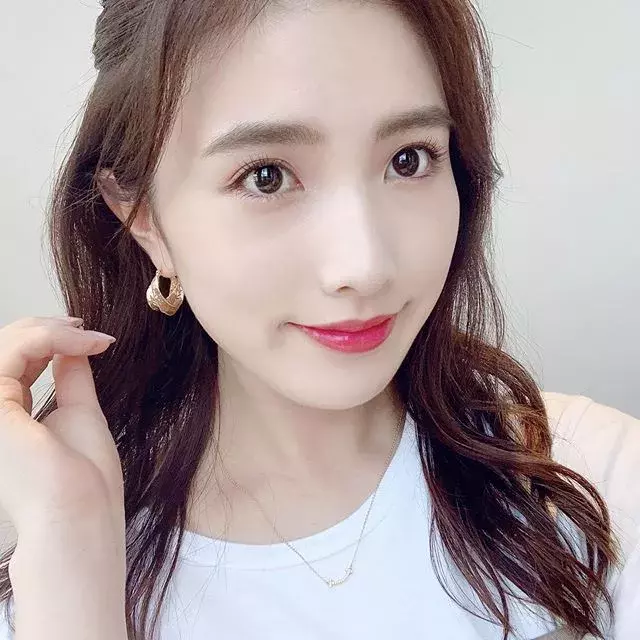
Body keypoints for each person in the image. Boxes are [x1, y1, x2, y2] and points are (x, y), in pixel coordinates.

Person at [0, 1, 637, 639]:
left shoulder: (590, 482)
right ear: (143, 218)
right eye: (267, 177)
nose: (364, 266)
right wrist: (72, 587)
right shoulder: (58, 565)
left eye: (409, 159)